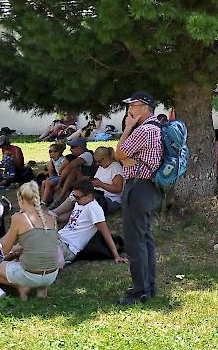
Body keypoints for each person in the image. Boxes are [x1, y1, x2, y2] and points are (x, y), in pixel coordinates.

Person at [115, 91, 163, 305]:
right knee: (146, 240)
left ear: (145, 108)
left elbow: (119, 152)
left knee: (135, 242)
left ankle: (140, 290)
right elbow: (125, 157)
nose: (129, 110)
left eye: (133, 106)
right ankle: (148, 286)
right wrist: (127, 158)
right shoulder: (157, 128)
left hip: (138, 188)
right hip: (151, 189)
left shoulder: (143, 130)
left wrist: (126, 129)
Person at [0, 181, 58, 301]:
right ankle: (42, 289)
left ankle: (20, 286)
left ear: (21, 198)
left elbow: (3, 250)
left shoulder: (19, 218)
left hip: (30, 275)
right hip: (52, 275)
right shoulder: (51, 217)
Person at [56, 179, 126, 265]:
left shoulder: (94, 209)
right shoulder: (80, 203)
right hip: (59, 238)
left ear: (89, 196)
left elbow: (106, 233)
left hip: (69, 247)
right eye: (74, 196)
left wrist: (116, 256)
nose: (75, 199)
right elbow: (72, 218)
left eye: (77, 197)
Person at [90, 146, 124, 215]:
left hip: (110, 200)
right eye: (96, 162)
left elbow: (118, 189)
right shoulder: (101, 166)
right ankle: (63, 214)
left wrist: (100, 184)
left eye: (99, 161)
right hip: (98, 195)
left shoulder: (115, 167)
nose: (97, 164)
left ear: (106, 158)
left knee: (84, 202)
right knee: (76, 196)